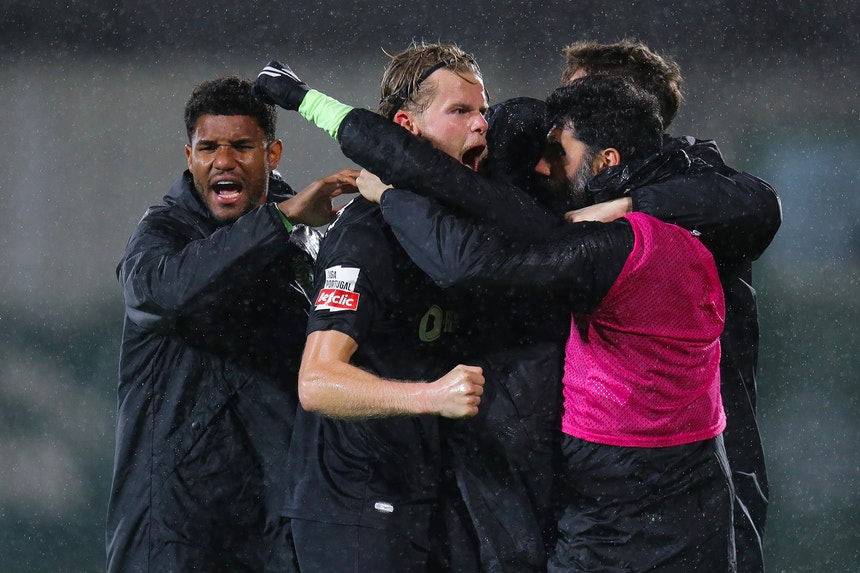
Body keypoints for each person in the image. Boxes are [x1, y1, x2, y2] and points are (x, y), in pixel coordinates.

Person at [361, 75, 739, 572]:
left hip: (619, 501)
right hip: (700, 483)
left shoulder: (609, 247)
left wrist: (393, 196)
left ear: (606, 161)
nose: (542, 167)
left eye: (558, 153)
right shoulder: (695, 220)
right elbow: (756, 202)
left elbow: (471, 267)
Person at [105, 76, 359, 573]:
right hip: (175, 533)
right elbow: (168, 294)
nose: (224, 161)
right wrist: (280, 219)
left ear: (272, 154)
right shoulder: (162, 234)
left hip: (276, 525)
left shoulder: (309, 240)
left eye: (242, 146)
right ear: (189, 156)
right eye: (208, 148)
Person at [256, 44, 488, 573]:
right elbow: (317, 381)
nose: (480, 124)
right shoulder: (367, 235)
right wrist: (431, 396)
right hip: (356, 510)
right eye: (459, 111)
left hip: (420, 497)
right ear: (407, 127)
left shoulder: (451, 225)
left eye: (483, 111)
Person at [560, 39, 780, 571]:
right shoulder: (570, 181)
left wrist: (632, 206)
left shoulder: (695, 178)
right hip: (608, 449)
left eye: (584, 98)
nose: (562, 114)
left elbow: (759, 205)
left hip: (704, 433)